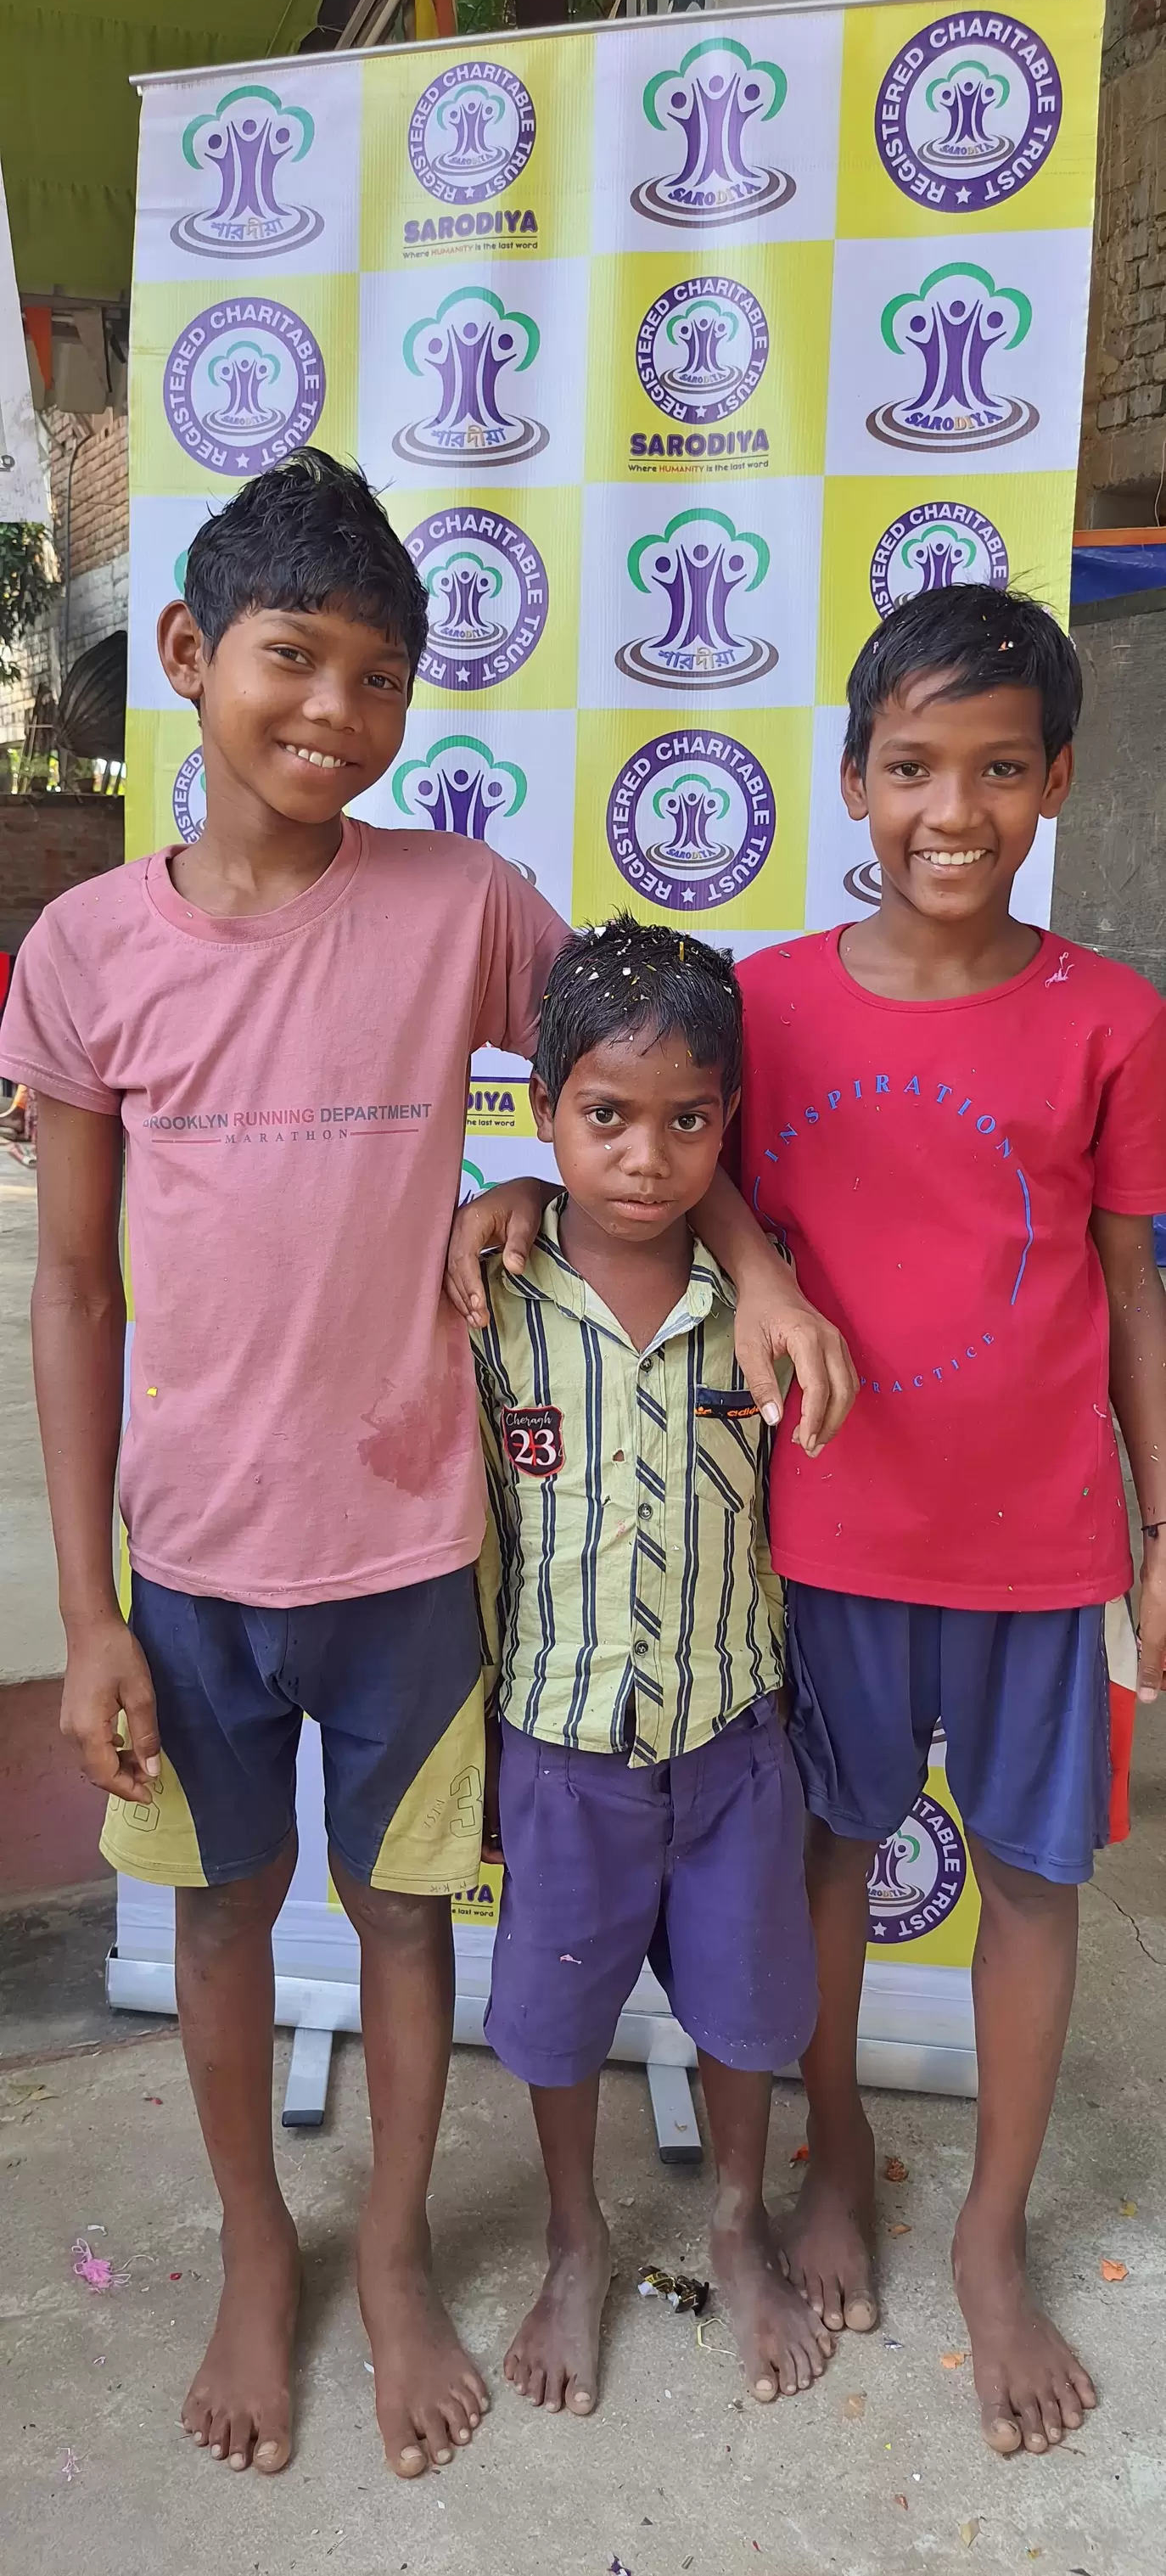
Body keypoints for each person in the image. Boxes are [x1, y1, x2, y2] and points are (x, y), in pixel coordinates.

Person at [0, 450, 853, 2483]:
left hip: (412, 1551)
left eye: (382, 679)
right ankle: (258, 2250)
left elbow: (636, 1078)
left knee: (401, 1923)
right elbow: (76, 1292)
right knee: (223, 1918)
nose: (338, 713)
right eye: (295, 659)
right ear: (190, 653)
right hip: (193, 1566)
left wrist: (741, 1264)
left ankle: (389, 2254)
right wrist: (91, 1614)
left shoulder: (458, 904)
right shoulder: (90, 951)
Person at [728, 586, 1166, 2461]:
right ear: (854, 780)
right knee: (829, 1857)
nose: (951, 811)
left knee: (1032, 1881)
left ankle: (991, 2230)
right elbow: (685, 1185)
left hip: (1041, 1546)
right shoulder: (765, 1002)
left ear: (1056, 780)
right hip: (825, 1539)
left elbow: (1131, 1284)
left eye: (997, 769)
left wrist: (1159, 1532)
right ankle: (834, 2155)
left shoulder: (1114, 1020)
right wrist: (757, 1269)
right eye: (912, 767)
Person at [471, 916, 831, 2421]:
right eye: (606, 1116)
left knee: (747, 2011)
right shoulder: (488, 1297)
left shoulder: (766, 1300)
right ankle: (575, 2238)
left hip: (734, 1736)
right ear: (542, 1110)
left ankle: (738, 2224)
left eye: (688, 1120)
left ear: (727, 1121)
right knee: (555, 2018)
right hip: (558, 1748)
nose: (644, 1156)